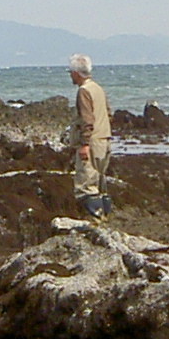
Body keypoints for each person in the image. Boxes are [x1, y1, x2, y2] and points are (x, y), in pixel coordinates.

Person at [67, 53, 112, 217]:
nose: (70, 75)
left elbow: (87, 119)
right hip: (104, 141)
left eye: (70, 72)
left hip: (92, 142)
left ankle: (94, 222)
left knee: (86, 185)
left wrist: (85, 143)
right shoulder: (98, 88)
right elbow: (108, 113)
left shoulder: (84, 91)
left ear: (77, 73)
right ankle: (105, 218)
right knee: (100, 183)